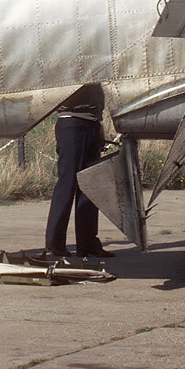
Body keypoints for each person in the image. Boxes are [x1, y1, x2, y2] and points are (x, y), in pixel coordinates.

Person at [44, 83, 113, 258]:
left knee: (90, 185)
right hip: (72, 123)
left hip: (92, 123)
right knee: (67, 184)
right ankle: (55, 244)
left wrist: (100, 125)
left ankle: (88, 243)